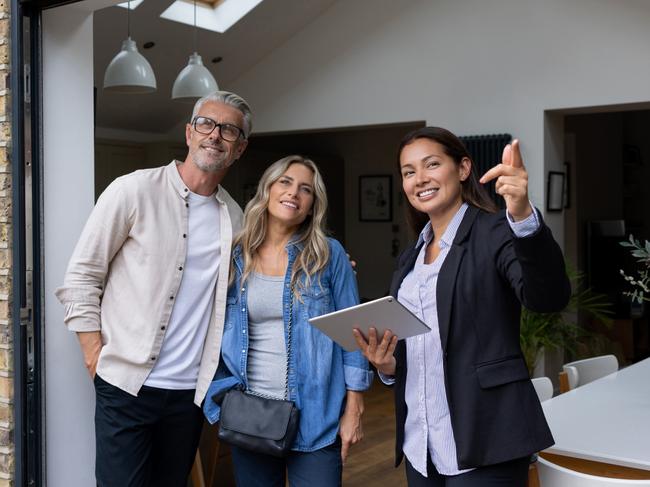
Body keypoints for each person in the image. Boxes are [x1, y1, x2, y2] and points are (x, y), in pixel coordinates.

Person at [55, 91, 252, 487]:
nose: (215, 135)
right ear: (189, 133)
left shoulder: (236, 218)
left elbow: (251, 286)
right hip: (126, 386)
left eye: (228, 130)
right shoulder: (132, 191)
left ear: (239, 148)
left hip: (189, 395)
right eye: (206, 124)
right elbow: (81, 277)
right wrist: (95, 355)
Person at [353, 127, 570, 486]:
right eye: (408, 172)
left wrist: (522, 215)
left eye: (432, 164)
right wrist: (389, 366)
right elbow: (425, 346)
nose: (419, 179)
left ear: (464, 168)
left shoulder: (496, 231)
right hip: (420, 442)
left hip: (487, 437)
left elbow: (548, 298)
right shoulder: (411, 256)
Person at [204, 155, 372, 487]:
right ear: (267, 190)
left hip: (316, 416)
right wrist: (220, 396)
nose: (293, 192)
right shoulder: (235, 254)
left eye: (305, 189)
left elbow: (354, 337)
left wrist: (354, 409)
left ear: (312, 205)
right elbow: (209, 327)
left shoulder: (329, 255)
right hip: (250, 414)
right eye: (285, 182)